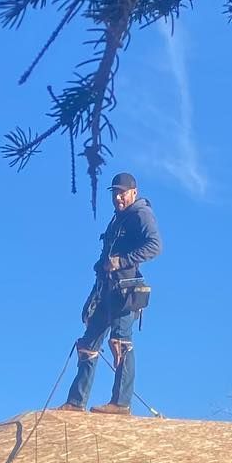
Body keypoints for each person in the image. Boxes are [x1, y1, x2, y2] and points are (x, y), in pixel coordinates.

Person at [61, 172, 161, 415]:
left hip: (125, 292)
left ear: (133, 193)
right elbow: (106, 260)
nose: (118, 197)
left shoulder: (141, 214)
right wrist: (93, 292)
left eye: (122, 193)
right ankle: (75, 402)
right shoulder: (118, 220)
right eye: (115, 193)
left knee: (121, 342)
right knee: (88, 344)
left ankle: (121, 403)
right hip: (106, 291)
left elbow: (155, 245)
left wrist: (123, 260)